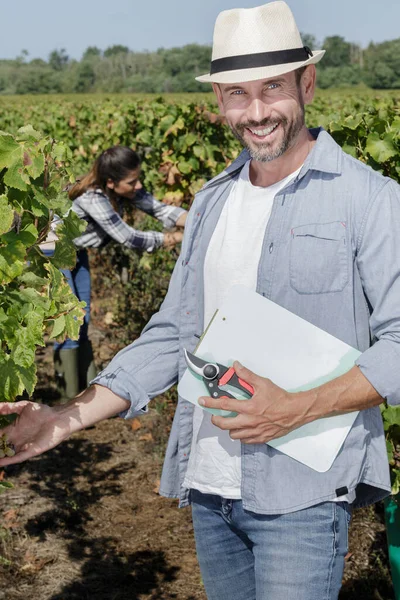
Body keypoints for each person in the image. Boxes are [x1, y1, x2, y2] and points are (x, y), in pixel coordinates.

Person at [0, 3, 399, 599]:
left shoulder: (371, 199)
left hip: (302, 494)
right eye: (238, 94)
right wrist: (66, 416)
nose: (257, 111)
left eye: (273, 88)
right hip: (210, 486)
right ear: (218, 100)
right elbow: (173, 333)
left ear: (306, 83)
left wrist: (299, 406)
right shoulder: (213, 201)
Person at [41, 145, 186, 401]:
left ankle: (84, 395)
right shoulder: (93, 198)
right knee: (70, 320)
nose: (138, 185)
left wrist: (200, 218)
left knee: (82, 316)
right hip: (54, 252)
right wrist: (173, 238)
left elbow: (160, 209)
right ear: (111, 181)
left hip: (75, 251)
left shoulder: (121, 189)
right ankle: (68, 398)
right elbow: (128, 237)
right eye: (133, 181)